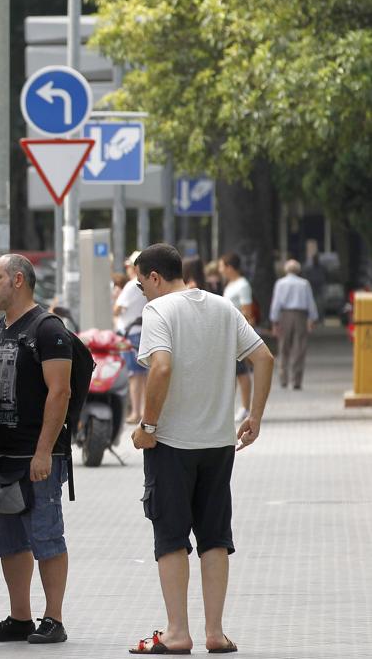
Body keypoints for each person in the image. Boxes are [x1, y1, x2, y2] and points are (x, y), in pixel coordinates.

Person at [128, 244, 273, 655]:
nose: (142, 292)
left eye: (141, 284)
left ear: (155, 277)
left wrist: (148, 427)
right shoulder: (222, 307)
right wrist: (255, 417)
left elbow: (161, 367)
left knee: (171, 537)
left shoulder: (158, 312)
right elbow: (264, 358)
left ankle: (177, 633)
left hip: (172, 443)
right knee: (214, 538)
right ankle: (215, 631)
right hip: (218, 443)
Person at [0, 254, 73, 645]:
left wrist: (43, 452)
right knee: (8, 540)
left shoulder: (48, 329)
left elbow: (60, 391)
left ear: (18, 280)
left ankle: (53, 618)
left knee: (45, 536)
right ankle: (20, 617)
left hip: (37, 458)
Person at [269, 259, 319, 390]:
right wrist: (313, 319)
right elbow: (310, 302)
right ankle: (296, 380)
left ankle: (283, 378)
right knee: (299, 348)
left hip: (285, 314)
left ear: (286, 270)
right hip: (300, 316)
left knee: (283, 347)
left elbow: (276, 303)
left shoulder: (280, 283)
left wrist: (274, 321)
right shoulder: (304, 284)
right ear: (298, 270)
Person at [219, 253, 256, 422]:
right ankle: (229, 406)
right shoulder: (230, 285)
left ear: (230, 267)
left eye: (222, 266)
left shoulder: (242, 285)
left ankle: (245, 407)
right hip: (227, 333)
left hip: (237, 333)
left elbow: (247, 310)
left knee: (241, 372)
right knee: (231, 372)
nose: (220, 270)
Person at [114, 251, 148, 425]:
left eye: (128, 266)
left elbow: (117, 309)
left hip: (130, 333)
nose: (126, 269)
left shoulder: (131, 285)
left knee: (134, 376)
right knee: (143, 375)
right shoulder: (145, 284)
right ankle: (142, 410)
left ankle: (135, 412)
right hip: (142, 332)